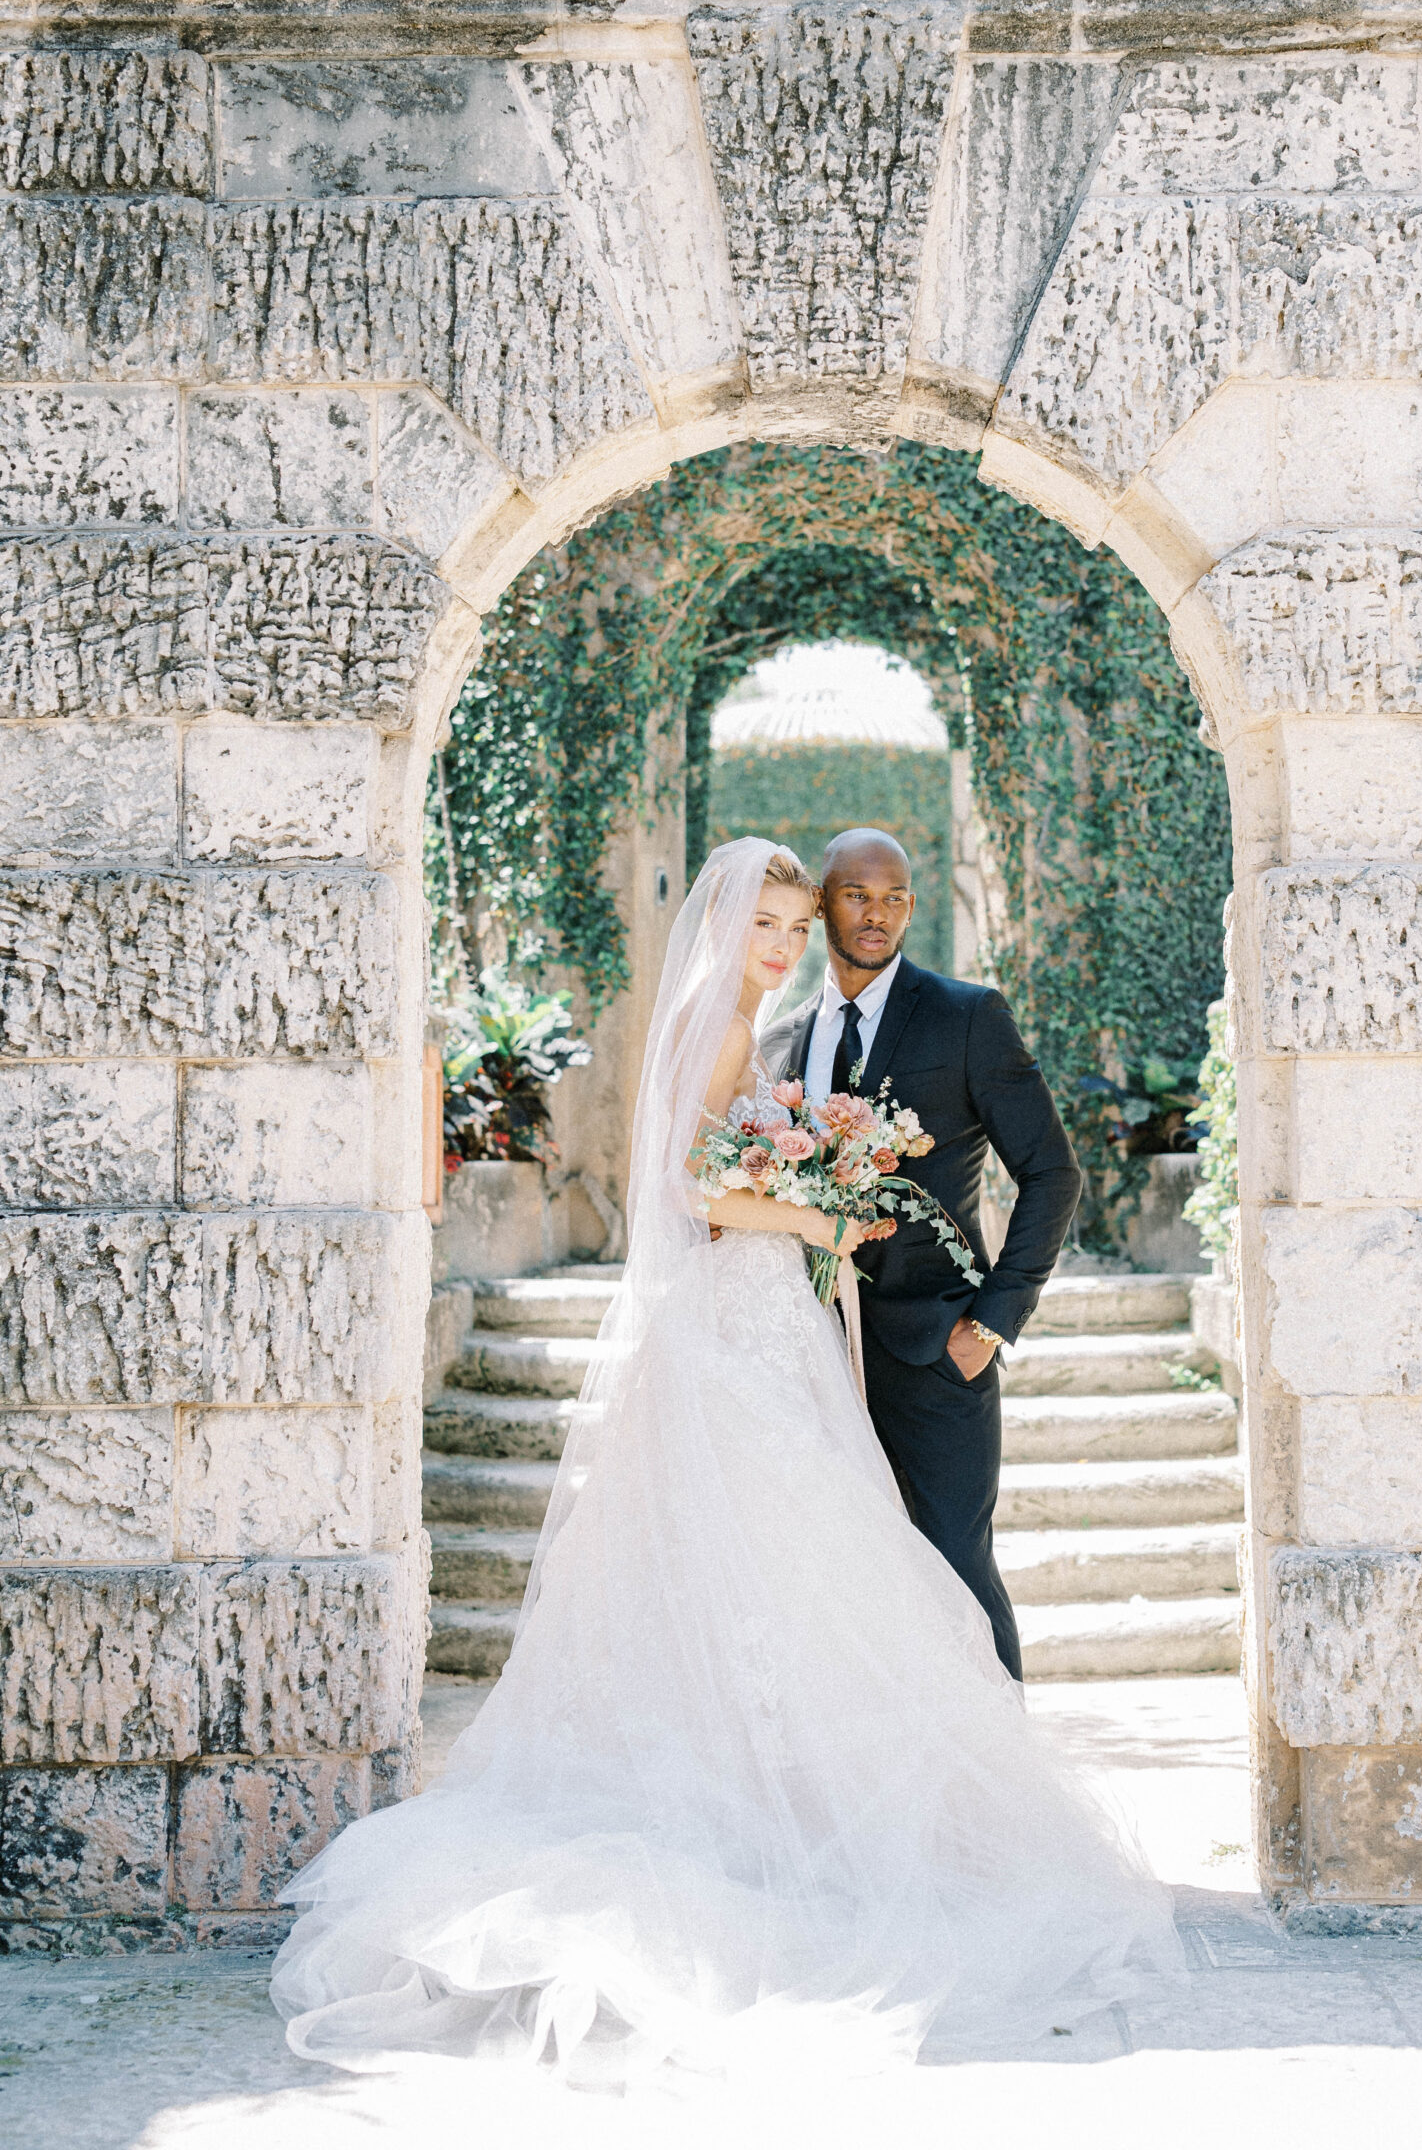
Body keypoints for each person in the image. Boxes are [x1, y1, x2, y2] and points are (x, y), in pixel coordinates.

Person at [271, 838, 1180, 2087]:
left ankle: (972, 1817)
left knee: (931, 1576)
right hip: (758, 1335)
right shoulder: (758, 1029)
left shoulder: (933, 1019)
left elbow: (1045, 1171)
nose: (796, 938)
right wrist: (813, 1212)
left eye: (805, 920)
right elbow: (702, 1190)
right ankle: (831, 1832)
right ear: (732, 920)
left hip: (892, 1348)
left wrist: (989, 1319)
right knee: (799, 1575)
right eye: (780, 917)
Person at [768, 828, 1081, 1682]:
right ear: (823, 902)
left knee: (954, 1570)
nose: (878, 914)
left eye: (896, 897)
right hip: (814, 1356)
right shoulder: (784, 1040)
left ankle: (1004, 1789)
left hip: (940, 1350)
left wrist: (991, 1319)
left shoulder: (965, 1015)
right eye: (858, 896)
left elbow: (1053, 1173)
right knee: (842, 1582)